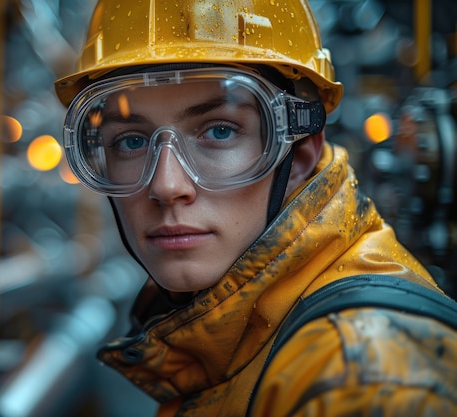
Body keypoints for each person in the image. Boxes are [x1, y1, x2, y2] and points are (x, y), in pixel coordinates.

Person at [54, 0, 457, 416]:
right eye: (132, 142)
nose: (167, 185)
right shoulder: (220, 345)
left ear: (299, 155)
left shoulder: (365, 378)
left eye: (220, 131)